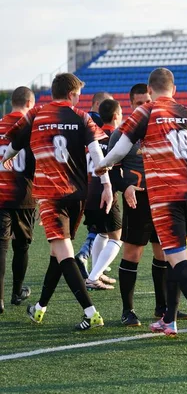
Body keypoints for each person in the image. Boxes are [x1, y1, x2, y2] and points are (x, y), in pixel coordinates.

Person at [96, 68, 187, 343]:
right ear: (173, 89)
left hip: (165, 194)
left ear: (150, 91)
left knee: (176, 256)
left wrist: (102, 165)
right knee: (171, 254)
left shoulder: (147, 111)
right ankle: (170, 319)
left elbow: (120, 150)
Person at [2, 73, 111, 330]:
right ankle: (40, 308)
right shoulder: (82, 117)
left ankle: (91, 312)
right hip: (77, 195)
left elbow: (15, 143)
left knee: (63, 253)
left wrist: (6, 158)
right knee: (58, 254)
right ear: (72, 95)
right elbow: (96, 152)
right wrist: (106, 185)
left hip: (50, 195)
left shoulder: (36, 114)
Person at [109, 83, 187, 326]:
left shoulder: (165, 128)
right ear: (131, 104)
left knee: (163, 253)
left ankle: (162, 307)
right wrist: (126, 187)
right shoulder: (122, 133)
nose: (145, 106)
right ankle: (128, 310)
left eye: (148, 101)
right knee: (133, 253)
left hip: (164, 198)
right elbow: (109, 172)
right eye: (139, 103)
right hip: (138, 200)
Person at [0, 87, 36, 314]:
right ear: (30, 103)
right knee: (21, 246)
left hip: (0, 193)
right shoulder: (32, 128)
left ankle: (0, 300)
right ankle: (17, 292)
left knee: (1, 246)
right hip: (25, 194)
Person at [84, 99, 123, 290]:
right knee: (117, 237)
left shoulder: (93, 137)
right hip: (104, 193)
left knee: (102, 232)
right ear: (116, 116)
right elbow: (117, 171)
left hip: (88, 193)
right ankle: (93, 277)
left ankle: (96, 273)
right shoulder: (116, 139)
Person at [75, 91, 115, 273]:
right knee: (107, 230)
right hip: (97, 179)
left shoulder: (80, 120)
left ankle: (95, 263)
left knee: (98, 227)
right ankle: (87, 257)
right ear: (98, 103)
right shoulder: (97, 124)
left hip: (83, 179)